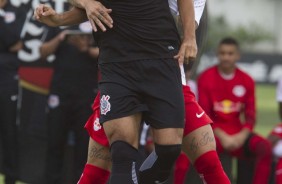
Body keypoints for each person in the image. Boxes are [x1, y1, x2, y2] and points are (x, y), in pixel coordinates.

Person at [34, 2, 231, 184]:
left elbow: (183, 20)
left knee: (200, 157)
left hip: (165, 75)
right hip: (118, 71)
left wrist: (189, 38)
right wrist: (73, 11)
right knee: (103, 165)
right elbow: (101, 8)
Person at [198, 37, 272, 184]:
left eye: (230, 53)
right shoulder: (206, 77)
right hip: (215, 135)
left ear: (238, 55)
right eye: (223, 53)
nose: (226, 57)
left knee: (264, 147)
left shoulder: (246, 79)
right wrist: (223, 136)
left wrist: (242, 135)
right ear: (217, 54)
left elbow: (251, 115)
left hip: (239, 134)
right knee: (196, 151)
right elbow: (204, 114)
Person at [40, 24, 99, 184]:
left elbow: (108, 54)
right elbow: (43, 51)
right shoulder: (60, 22)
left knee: (84, 148)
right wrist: (61, 38)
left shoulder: (95, 21)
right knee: (54, 143)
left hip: (86, 95)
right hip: (60, 93)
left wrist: (86, 48)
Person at [0, 0, 26, 183]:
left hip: (7, 79)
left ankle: (10, 176)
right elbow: (10, 44)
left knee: (9, 127)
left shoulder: (18, 11)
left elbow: (16, 41)